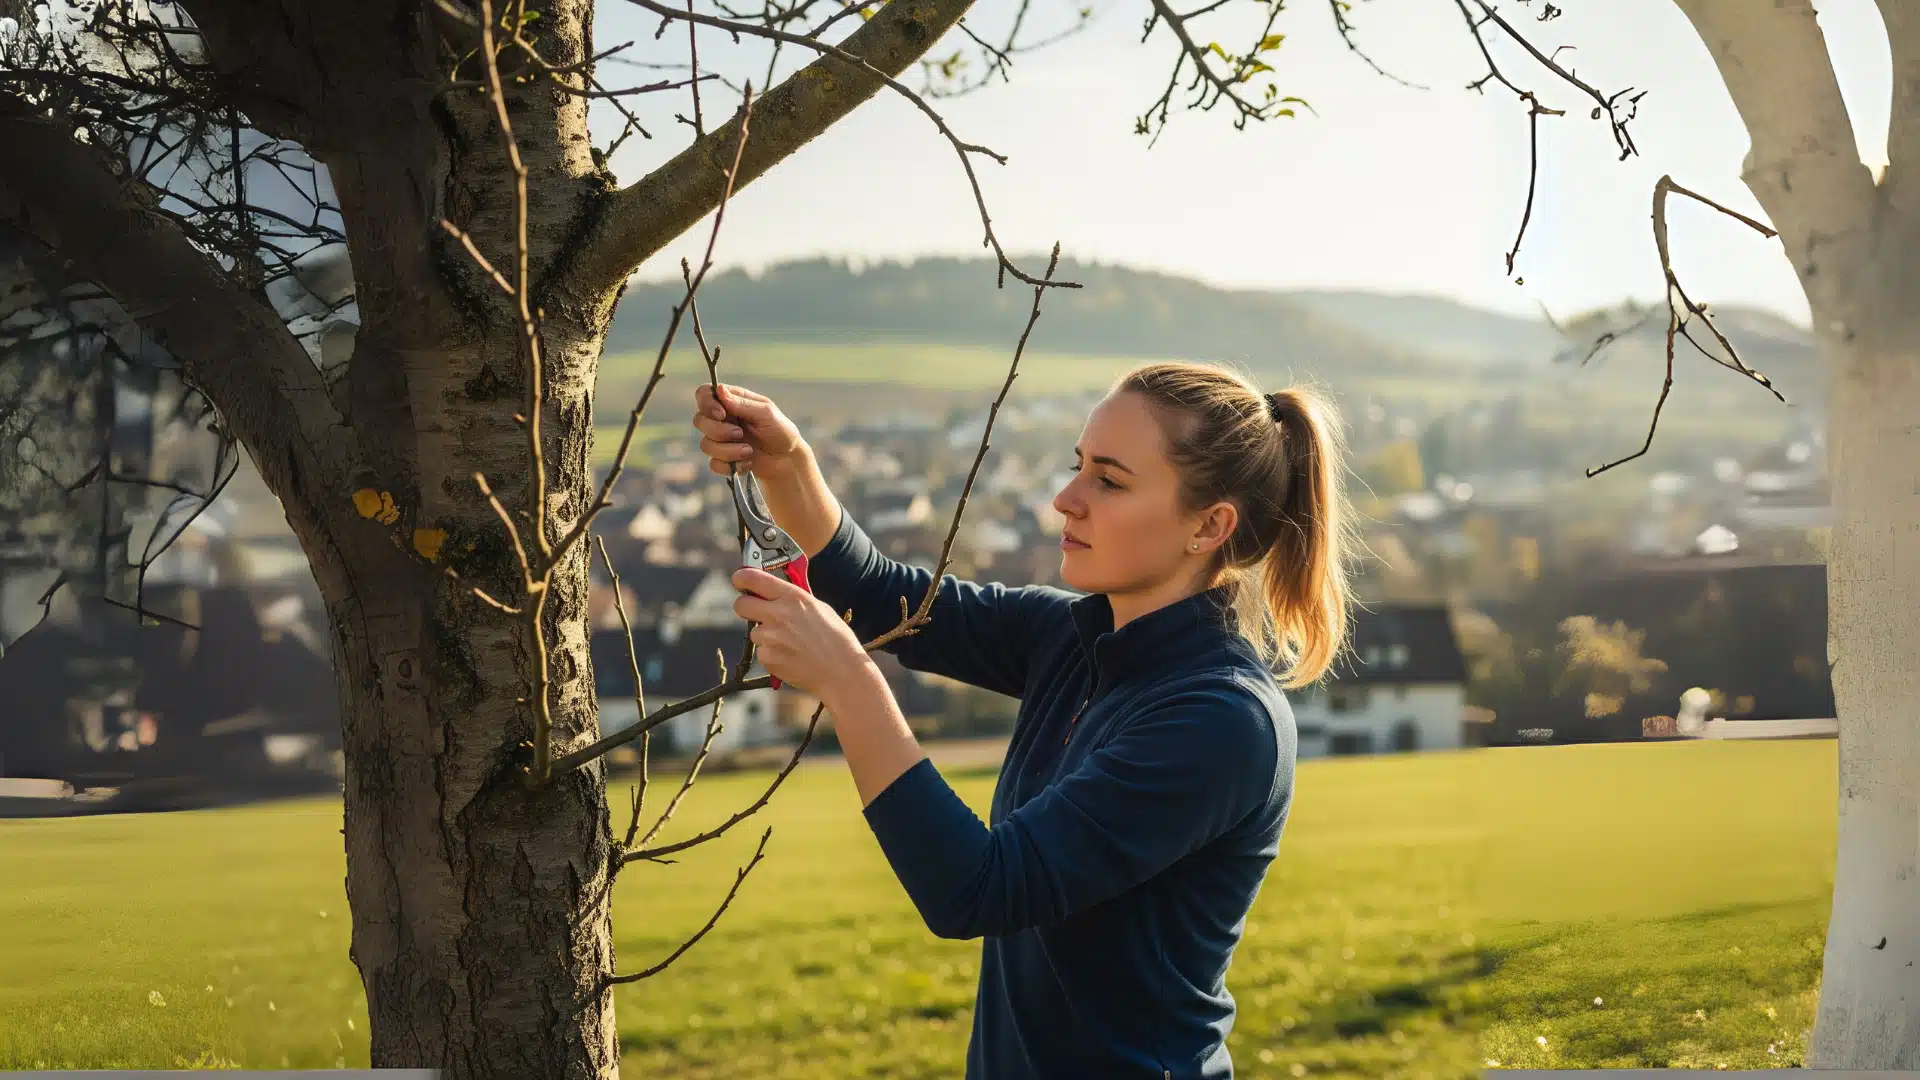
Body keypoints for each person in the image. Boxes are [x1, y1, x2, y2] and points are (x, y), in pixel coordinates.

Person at [691, 361, 1357, 1079]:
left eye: (1109, 480)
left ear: (1209, 525)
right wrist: (788, 466)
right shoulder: (1073, 638)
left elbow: (976, 888)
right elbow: (883, 597)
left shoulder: (1222, 720)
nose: (1066, 500)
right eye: (1078, 467)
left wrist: (849, 682)